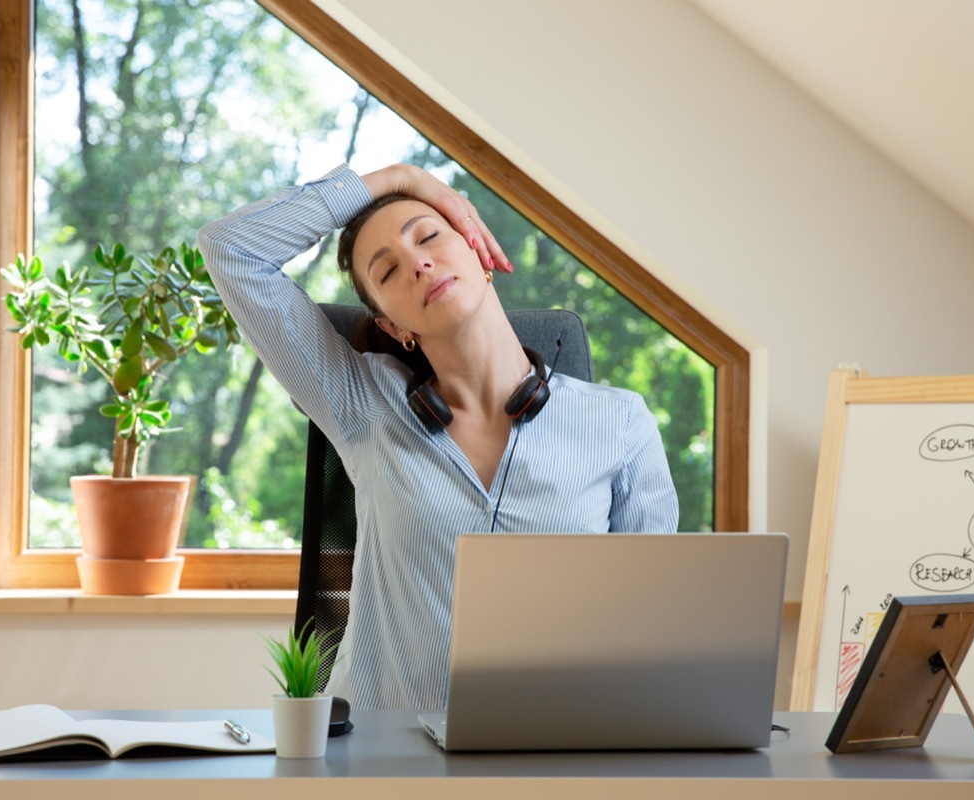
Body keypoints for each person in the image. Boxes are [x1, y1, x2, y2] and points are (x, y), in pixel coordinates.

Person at [197, 163, 679, 710]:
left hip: (551, 751)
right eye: (388, 272)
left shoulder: (620, 425)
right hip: (382, 765)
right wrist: (398, 178)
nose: (419, 263)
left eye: (429, 236)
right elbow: (230, 248)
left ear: (477, 248)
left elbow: (648, 632)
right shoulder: (360, 404)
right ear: (392, 327)